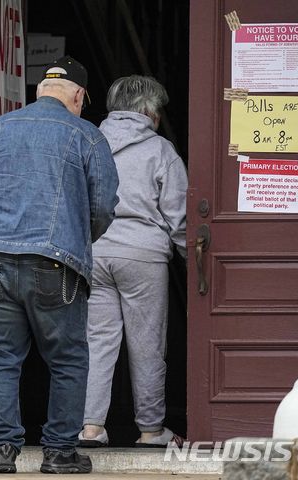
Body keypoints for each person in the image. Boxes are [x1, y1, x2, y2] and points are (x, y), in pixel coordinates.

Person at [0, 56, 119, 474]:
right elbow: (101, 207)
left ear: (42, 90)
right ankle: (60, 452)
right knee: (67, 358)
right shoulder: (87, 135)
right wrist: (75, 237)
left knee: (0, 357)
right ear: (78, 95)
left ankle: (2, 452)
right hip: (55, 262)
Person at [78, 75, 187, 449]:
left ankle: (91, 427)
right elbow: (179, 216)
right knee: (147, 344)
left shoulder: (89, 142)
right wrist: (194, 259)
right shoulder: (161, 150)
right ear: (148, 111)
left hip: (94, 251)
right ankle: (151, 430)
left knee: (97, 341)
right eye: (158, 111)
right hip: (143, 255)